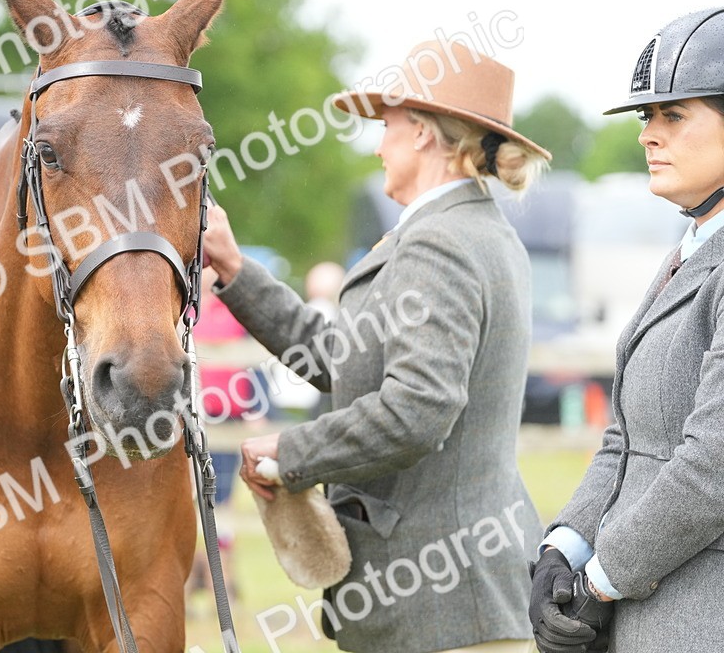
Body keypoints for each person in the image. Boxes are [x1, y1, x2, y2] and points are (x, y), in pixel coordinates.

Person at [204, 40, 551, 653]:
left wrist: (291, 451)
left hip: (441, 611)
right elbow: (348, 360)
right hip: (457, 602)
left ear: (421, 133)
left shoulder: (438, 242)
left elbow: (417, 410)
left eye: (387, 126)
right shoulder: (476, 231)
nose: (376, 143)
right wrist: (233, 268)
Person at [530, 7, 724, 653]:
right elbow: (626, 436)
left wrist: (601, 578)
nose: (648, 135)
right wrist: (564, 545)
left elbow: (711, 466)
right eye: (647, 118)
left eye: (673, 115)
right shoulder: (688, 250)